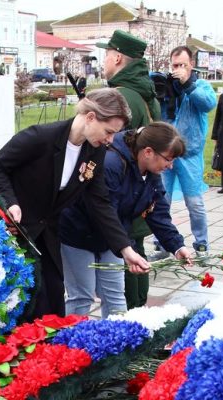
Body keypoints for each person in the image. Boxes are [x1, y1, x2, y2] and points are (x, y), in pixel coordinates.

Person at [0, 88, 151, 318]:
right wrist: (10, 203)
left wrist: (126, 250)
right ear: (91, 117)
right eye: (108, 131)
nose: (110, 140)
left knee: (53, 299)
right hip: (19, 230)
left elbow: (99, 202)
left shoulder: (94, 152)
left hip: (50, 233)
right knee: (20, 301)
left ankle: (47, 351)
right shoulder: (40, 137)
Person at [60, 123, 192, 317]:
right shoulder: (112, 164)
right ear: (148, 152)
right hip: (77, 234)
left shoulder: (150, 172)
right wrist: (126, 248)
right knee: (82, 296)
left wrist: (177, 246)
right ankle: (64, 343)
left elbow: (157, 211)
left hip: (113, 239)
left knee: (115, 296)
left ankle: (115, 343)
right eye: (168, 159)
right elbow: (104, 214)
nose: (170, 166)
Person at [97, 30, 161, 308]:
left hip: (119, 188)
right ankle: (139, 312)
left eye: (107, 55)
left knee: (125, 257)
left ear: (118, 57)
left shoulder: (116, 96)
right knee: (137, 249)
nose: (104, 61)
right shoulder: (146, 93)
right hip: (141, 187)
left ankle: (129, 319)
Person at [159, 46, 217, 254]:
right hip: (164, 154)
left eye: (183, 65)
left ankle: (201, 244)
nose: (179, 69)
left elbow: (208, 104)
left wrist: (187, 85)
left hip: (189, 154)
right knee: (161, 201)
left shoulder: (200, 85)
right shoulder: (168, 85)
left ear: (191, 65)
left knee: (194, 202)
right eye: (175, 65)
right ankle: (164, 244)